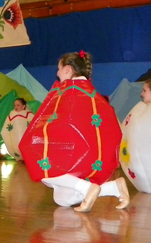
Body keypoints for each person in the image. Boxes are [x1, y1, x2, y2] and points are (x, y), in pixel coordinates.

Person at [19, 50, 128, 212]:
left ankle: (86, 188)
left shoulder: (70, 91)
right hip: (92, 155)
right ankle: (112, 188)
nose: (57, 73)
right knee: (62, 199)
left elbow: (59, 123)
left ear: (68, 70)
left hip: (74, 153)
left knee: (41, 162)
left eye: (59, 69)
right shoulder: (93, 94)